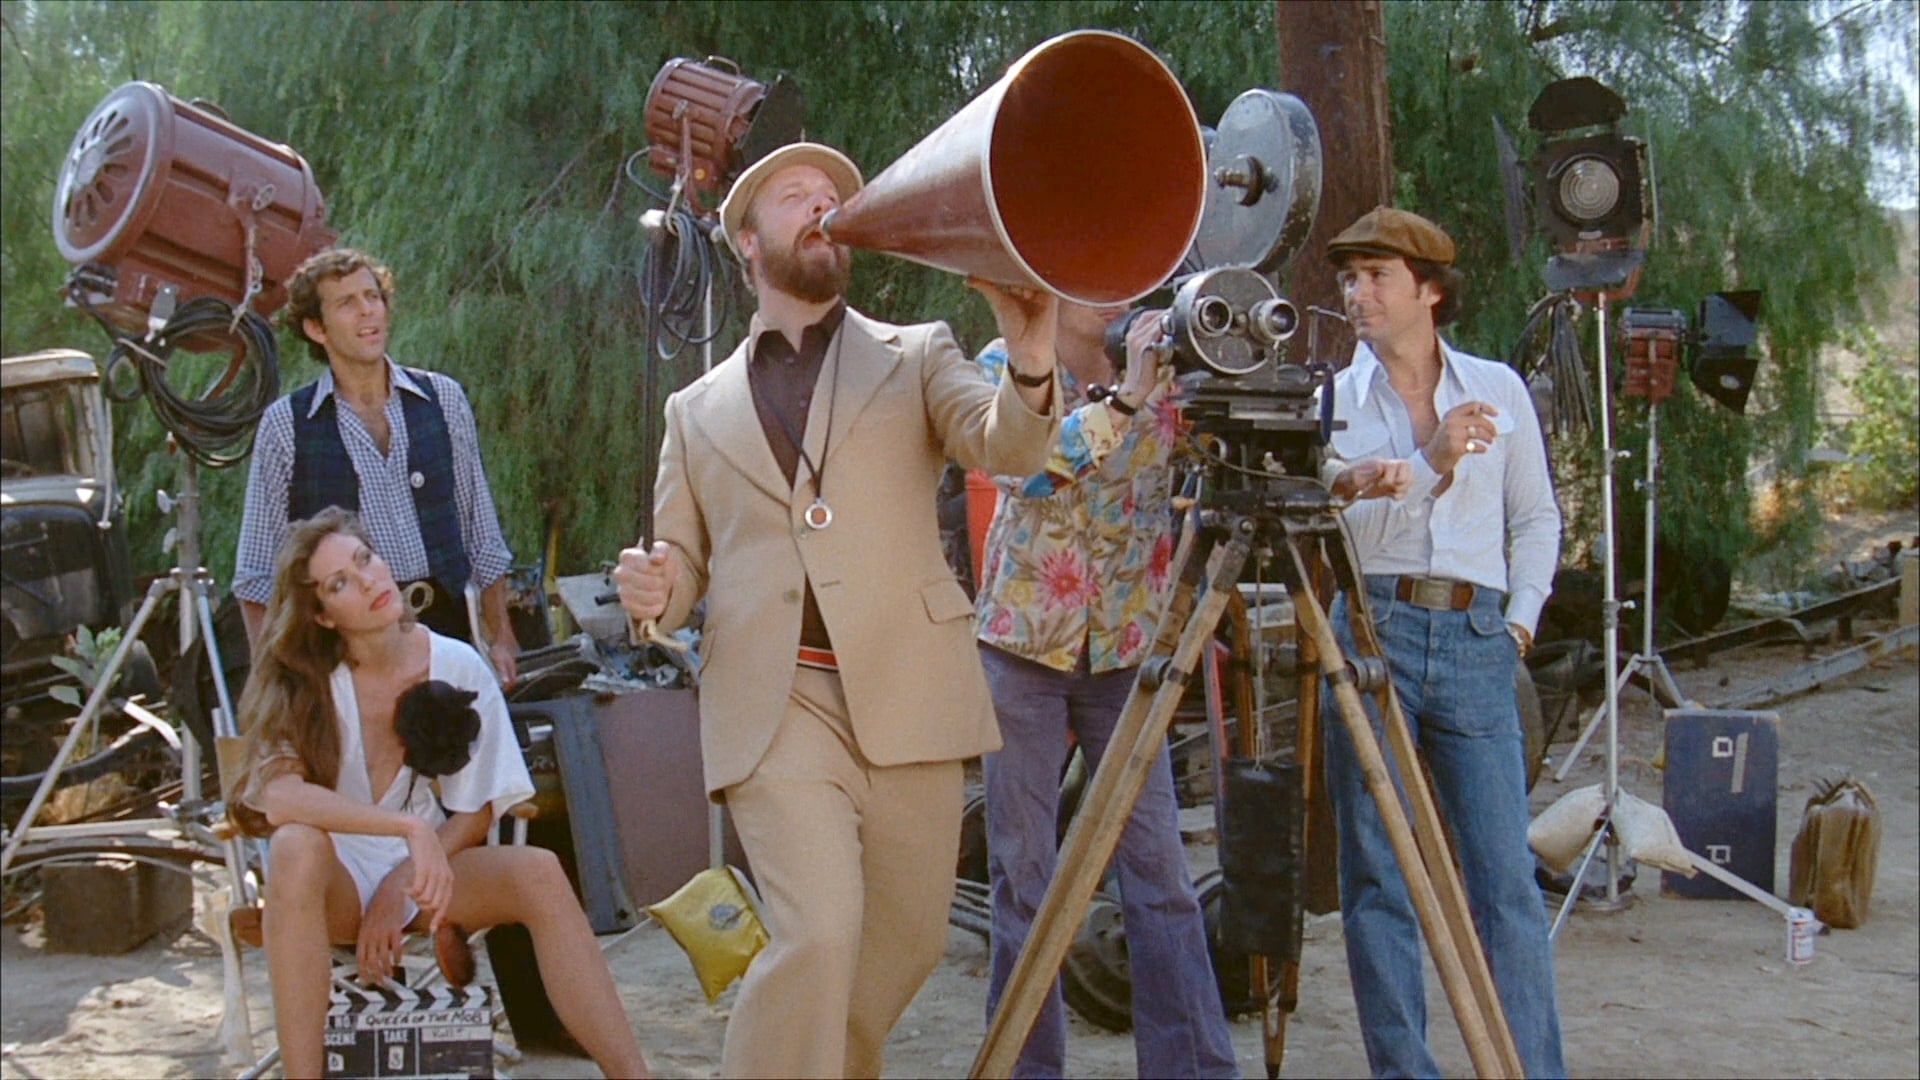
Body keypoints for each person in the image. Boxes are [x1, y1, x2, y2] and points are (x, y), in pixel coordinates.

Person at [613, 141, 1060, 1078]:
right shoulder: (694, 411)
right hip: (775, 706)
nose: (822, 206)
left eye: (834, 195)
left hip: (908, 690)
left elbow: (1009, 449)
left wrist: (1029, 361)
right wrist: (656, 590)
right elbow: (681, 563)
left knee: (906, 945)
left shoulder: (918, 352)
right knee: (819, 933)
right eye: (795, 195)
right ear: (746, 240)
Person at [232, 508, 649, 1080]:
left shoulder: (454, 663)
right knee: (296, 845)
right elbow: (279, 799)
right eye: (339, 584)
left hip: (426, 872)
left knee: (539, 872)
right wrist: (407, 828)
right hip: (332, 880)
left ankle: (633, 1076)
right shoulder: (301, 677)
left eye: (366, 560)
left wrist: (401, 882)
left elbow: (478, 810)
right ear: (323, 616)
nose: (369, 582)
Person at [1317, 206, 1565, 1078]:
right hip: (1372, 629)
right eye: (1349, 278)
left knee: (1504, 878)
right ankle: (1404, 1071)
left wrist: (1520, 622)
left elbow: (1536, 519)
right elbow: (1342, 528)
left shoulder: (1498, 388)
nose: (1357, 294)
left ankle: (1529, 1069)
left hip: (1476, 635)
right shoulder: (1331, 402)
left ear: (1429, 290)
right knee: (1378, 877)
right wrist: (1429, 461)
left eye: (1376, 276)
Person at [972, 301, 1240, 1079]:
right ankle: (1026, 1068)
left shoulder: (1174, 378)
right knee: (1024, 877)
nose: (1121, 298)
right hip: (1022, 647)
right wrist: (1126, 398)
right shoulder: (1002, 364)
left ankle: (1192, 1069)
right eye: (1099, 283)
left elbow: (1232, 460)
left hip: (1125, 651)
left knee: (1160, 872)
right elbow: (1026, 471)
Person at [235, 247, 520, 686]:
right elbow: (257, 576)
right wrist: (272, 683)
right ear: (316, 328)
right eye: (347, 303)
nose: (367, 311)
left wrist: (501, 635)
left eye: (373, 296)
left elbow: (481, 533)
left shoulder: (442, 399)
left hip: (447, 636)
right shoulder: (287, 425)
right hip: (347, 652)